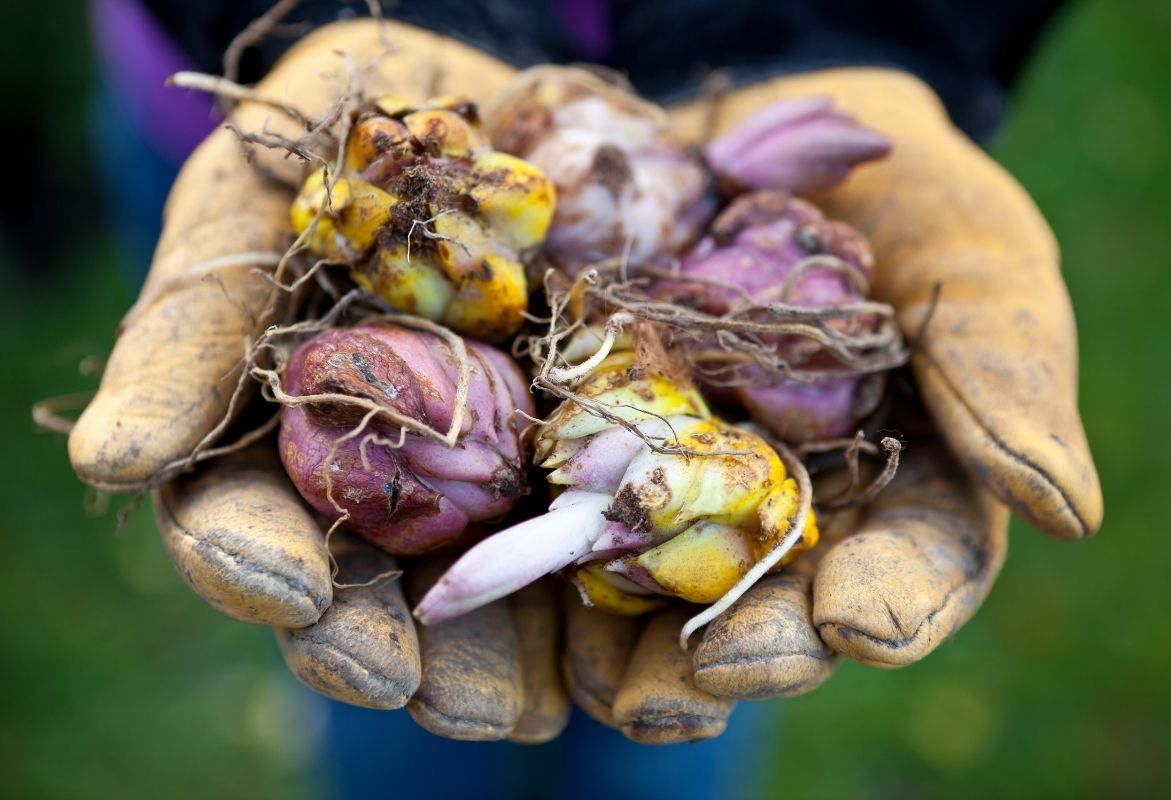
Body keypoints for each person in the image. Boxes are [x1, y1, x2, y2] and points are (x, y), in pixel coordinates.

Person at [83, 1, 1102, 798]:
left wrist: (839, 27)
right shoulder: (487, 264)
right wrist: (328, 12)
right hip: (243, 96)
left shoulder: (632, 413)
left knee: (681, 694)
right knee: (354, 634)